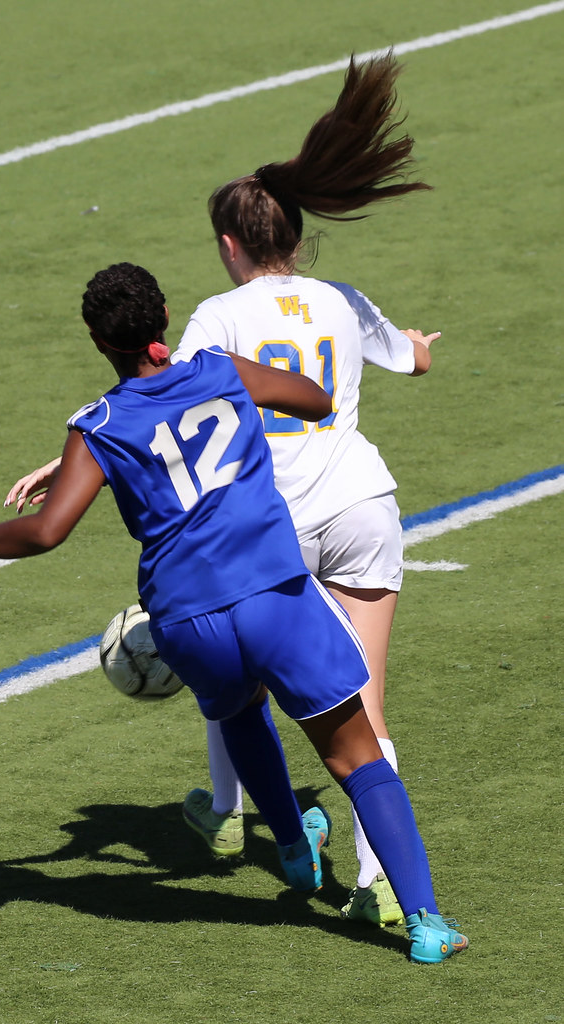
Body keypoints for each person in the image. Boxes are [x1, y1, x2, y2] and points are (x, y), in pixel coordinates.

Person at [0, 262, 468, 964]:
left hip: (186, 621)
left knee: (238, 711)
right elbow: (313, 398)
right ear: (163, 320)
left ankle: (295, 853)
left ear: (98, 342)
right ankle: (424, 924)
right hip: (275, 595)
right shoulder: (219, 370)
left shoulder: (98, 425)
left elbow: (45, 532)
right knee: (357, 758)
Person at [171, 51, 440, 929]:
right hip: (362, 506)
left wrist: (66, 462)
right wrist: (416, 341)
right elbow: (411, 356)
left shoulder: (218, 318)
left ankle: (226, 815)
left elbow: (160, 404)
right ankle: (386, 896)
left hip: (268, 529)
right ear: (294, 231)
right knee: (366, 709)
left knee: (231, 678)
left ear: (228, 244)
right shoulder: (340, 298)